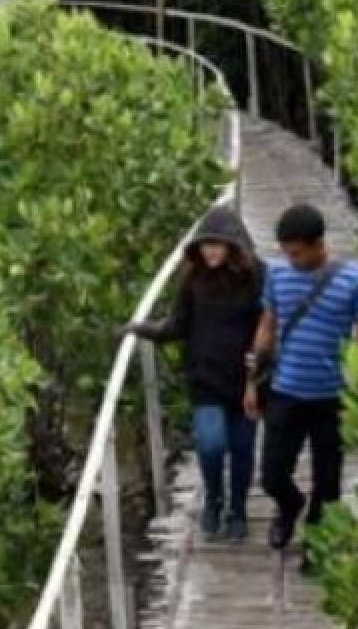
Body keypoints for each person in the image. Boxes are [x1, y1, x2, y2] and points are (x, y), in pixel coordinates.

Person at [245, 203, 358, 558]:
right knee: (272, 474)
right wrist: (252, 381)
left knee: (329, 479)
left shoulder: (355, 281)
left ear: (318, 244)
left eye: (297, 253)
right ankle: (289, 505)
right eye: (286, 252)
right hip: (285, 391)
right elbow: (267, 327)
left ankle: (318, 545)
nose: (291, 259)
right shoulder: (277, 276)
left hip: (333, 396)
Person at [120, 207, 265, 541]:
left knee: (243, 449)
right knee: (211, 444)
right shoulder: (193, 280)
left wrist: (258, 374)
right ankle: (214, 498)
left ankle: (238, 510)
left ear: (233, 245)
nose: (210, 251)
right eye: (205, 245)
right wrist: (140, 329)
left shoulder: (259, 276)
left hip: (249, 381)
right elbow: (176, 325)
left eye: (217, 244)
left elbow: (269, 327)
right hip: (206, 382)